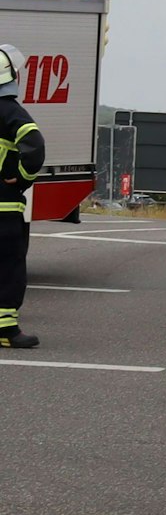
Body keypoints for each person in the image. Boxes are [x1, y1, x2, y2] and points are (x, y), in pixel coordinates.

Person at [0, 44, 48, 349]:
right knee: (9, 265)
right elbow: (34, 144)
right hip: (3, 205)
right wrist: (22, 176)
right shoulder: (10, 110)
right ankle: (6, 329)